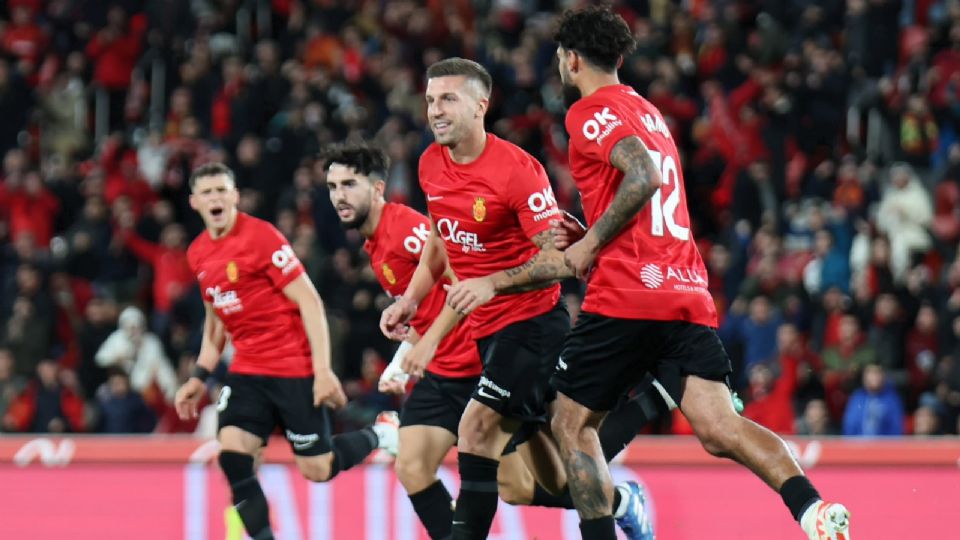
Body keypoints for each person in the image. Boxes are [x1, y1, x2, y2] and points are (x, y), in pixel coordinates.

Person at [446, 7, 850, 540]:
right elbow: (639, 188)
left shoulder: (587, 112)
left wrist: (590, 242)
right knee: (719, 428)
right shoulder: (649, 111)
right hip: (684, 288)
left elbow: (642, 176)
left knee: (570, 423)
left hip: (626, 294)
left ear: (570, 60)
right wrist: (587, 225)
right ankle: (811, 509)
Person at [378, 58, 659, 540]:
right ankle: (623, 492)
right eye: (429, 100)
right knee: (541, 480)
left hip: (532, 326)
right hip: (486, 334)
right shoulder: (430, 163)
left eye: (448, 99)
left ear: (480, 105)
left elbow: (560, 260)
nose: (435, 110)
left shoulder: (516, 171)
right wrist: (409, 298)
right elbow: (441, 247)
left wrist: (491, 283)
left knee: (476, 429)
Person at [173, 163, 399, 540]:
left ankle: (382, 433)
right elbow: (216, 321)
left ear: (235, 196)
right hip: (247, 371)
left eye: (222, 190)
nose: (216, 198)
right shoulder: (197, 254)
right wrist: (199, 375)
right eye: (207, 192)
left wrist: (323, 371)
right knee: (233, 456)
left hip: (293, 366)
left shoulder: (261, 237)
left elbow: (310, 303)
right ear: (195, 202)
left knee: (318, 468)